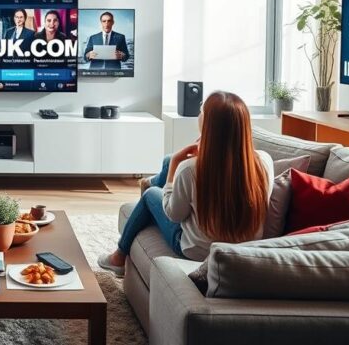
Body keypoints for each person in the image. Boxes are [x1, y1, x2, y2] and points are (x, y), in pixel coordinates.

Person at [97, 91, 274, 273]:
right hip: (244, 248)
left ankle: (119, 256)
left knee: (151, 194)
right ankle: (153, 181)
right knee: (167, 160)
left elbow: (174, 214)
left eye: (201, 111)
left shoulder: (189, 169)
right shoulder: (264, 162)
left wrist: (175, 165)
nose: (199, 115)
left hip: (197, 251)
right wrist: (176, 162)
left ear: (208, 125)